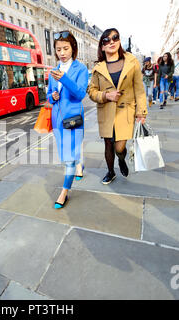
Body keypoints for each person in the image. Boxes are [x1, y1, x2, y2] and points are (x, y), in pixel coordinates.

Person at [88, 28, 147, 185]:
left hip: (125, 111)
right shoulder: (98, 68)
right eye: (107, 40)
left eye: (115, 38)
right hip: (106, 111)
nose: (111, 41)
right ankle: (110, 171)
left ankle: (121, 159)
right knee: (108, 143)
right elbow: (92, 91)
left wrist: (141, 112)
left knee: (120, 147)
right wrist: (106, 96)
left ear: (119, 41)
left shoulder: (131, 62)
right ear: (102, 46)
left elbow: (139, 89)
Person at [47, 30, 88, 209]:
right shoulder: (53, 71)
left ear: (73, 48)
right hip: (57, 119)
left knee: (69, 158)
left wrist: (65, 78)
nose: (62, 53)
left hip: (73, 120)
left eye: (65, 48)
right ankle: (79, 165)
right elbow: (48, 95)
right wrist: (53, 96)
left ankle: (64, 192)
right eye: (58, 49)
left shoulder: (81, 69)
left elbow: (80, 93)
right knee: (66, 155)